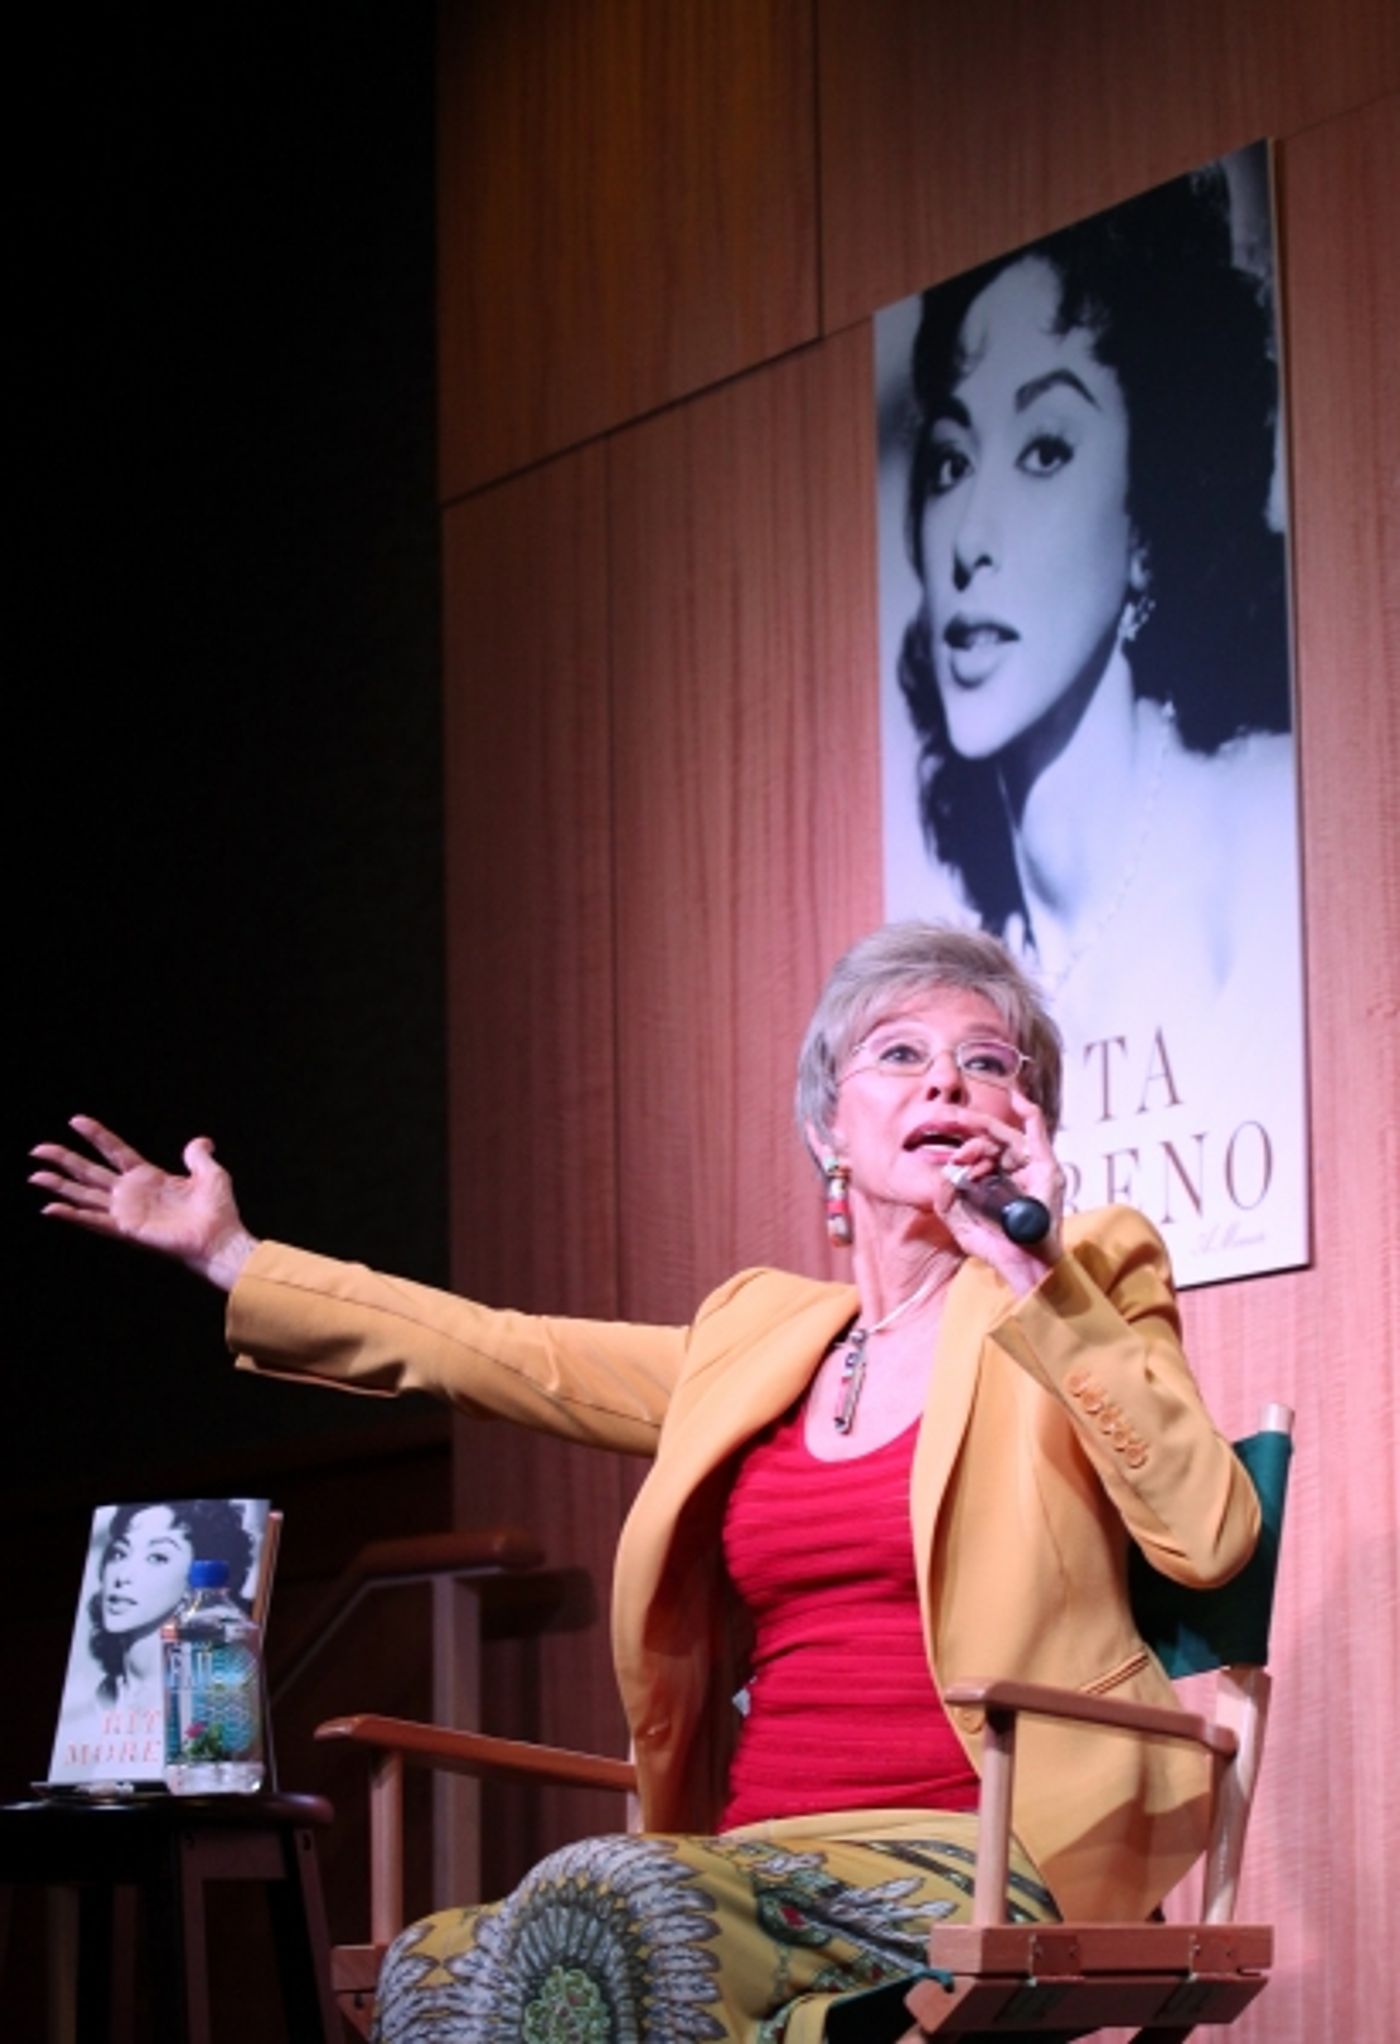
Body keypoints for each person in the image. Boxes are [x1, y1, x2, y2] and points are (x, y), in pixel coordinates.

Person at [32, 922, 1259, 2041]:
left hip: (984, 1853)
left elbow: (1207, 1533)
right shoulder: (754, 1335)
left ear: (1026, 1116)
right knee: (438, 1967)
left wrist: (1031, 1263)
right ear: (830, 1127)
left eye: (988, 1063)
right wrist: (233, 1257)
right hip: (747, 1859)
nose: (946, 1079)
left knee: (608, 1906)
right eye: (898, 1052)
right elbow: (504, 1349)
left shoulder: (1083, 1277)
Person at [895, 165, 1292, 1005]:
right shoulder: (950, 952)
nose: (969, 538)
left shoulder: (1265, 846)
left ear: (1149, 516)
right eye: (952, 461)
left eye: (1045, 451)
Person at [50, 1497, 256, 1782]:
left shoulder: (206, 1703)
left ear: (194, 1583)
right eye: (120, 1553)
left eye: (157, 1557)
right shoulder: (89, 1699)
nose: (123, 1576)